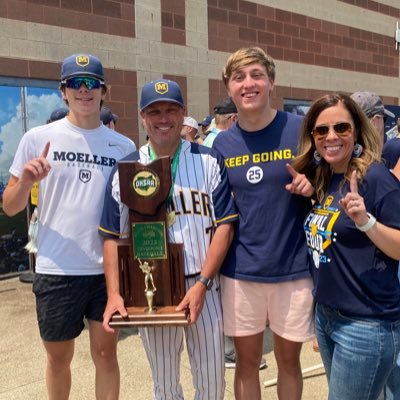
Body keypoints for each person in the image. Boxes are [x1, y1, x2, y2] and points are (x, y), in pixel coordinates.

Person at [3, 53, 136, 400]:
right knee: (59, 358)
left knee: (106, 355)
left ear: (103, 91)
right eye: (75, 83)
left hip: (105, 271)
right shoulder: (38, 138)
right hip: (56, 268)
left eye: (91, 83)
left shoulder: (125, 148)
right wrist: (26, 179)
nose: (84, 90)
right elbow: (10, 204)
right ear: (63, 91)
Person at [99, 78, 238, 399]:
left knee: (213, 383)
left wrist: (203, 283)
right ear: (142, 116)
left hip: (203, 285)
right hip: (152, 289)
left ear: (183, 113)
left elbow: (225, 227)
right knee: (164, 386)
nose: (164, 118)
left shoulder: (208, 160)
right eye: (155, 111)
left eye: (171, 110)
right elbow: (110, 236)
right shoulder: (127, 166)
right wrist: (115, 294)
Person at [212, 46, 315, 400]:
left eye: (256, 75)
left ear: (271, 82)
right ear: (228, 87)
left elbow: (331, 184)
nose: (248, 83)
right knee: (246, 363)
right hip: (241, 271)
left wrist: (311, 188)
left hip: (293, 268)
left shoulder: (301, 129)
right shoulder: (222, 145)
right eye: (239, 77)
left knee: (288, 363)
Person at [291, 92, 400, 400]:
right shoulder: (327, 177)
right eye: (321, 130)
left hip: (366, 325)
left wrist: (366, 221)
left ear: (357, 131)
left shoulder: (375, 178)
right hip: (328, 318)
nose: (331, 136)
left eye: (342, 127)